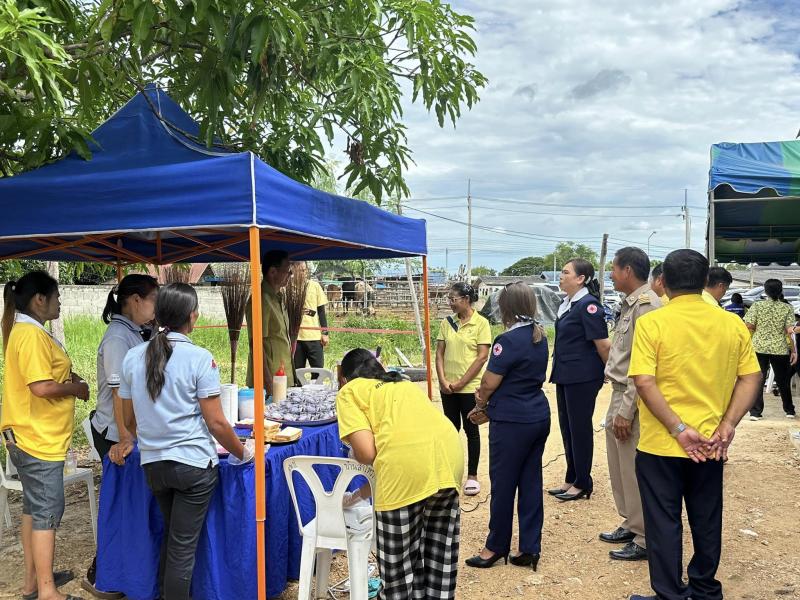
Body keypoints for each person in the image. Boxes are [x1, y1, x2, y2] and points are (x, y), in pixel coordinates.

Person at [627, 249, 761, 600]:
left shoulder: (653, 323)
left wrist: (679, 429)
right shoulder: (731, 323)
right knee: (706, 518)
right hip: (712, 443)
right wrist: (729, 424)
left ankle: (670, 593)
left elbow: (644, 381)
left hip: (661, 443)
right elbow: (751, 377)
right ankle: (704, 588)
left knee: (663, 521)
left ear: (663, 282)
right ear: (704, 281)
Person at [119, 283, 251, 600]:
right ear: (192, 316)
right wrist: (243, 452)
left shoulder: (133, 357)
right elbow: (216, 422)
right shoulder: (199, 358)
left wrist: (155, 437)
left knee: (175, 537)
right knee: (181, 548)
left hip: (154, 466)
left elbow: (129, 421)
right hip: (193, 467)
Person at [336, 349, 463, 600]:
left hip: (404, 473)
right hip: (448, 460)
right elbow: (402, 446)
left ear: (343, 379)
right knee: (439, 560)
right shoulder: (402, 384)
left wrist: (355, 451)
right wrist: (360, 494)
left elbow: (367, 453)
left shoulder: (348, 392)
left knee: (397, 576)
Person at [1, 271, 91, 600]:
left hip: (29, 436)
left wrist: (69, 377)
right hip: (37, 439)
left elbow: (47, 373)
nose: (60, 303)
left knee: (33, 509)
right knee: (46, 513)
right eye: (57, 297)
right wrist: (76, 389)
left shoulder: (28, 331)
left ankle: (33, 583)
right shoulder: (31, 335)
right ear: (40, 299)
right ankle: (47, 592)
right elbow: (40, 387)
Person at [463, 283, 550, 571]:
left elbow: (489, 382)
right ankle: (529, 547)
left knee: (503, 484)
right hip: (537, 415)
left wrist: (481, 402)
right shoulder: (540, 335)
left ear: (506, 307)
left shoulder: (507, 340)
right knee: (530, 482)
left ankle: (495, 546)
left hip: (512, 422)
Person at [83, 274, 159, 597]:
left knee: (135, 503)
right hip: (115, 431)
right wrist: (126, 436)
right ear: (136, 301)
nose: (156, 307)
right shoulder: (117, 337)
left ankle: (131, 569)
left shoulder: (138, 332)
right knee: (122, 505)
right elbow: (118, 392)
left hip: (133, 428)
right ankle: (103, 570)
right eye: (154, 300)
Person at [601, 248, 660, 562]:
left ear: (627, 270)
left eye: (613, 268)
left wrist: (626, 410)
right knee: (620, 465)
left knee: (633, 467)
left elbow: (644, 365)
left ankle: (644, 535)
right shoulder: (631, 304)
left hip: (631, 396)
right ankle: (631, 522)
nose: (611, 274)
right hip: (619, 392)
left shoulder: (647, 305)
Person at [548, 258, 610, 501]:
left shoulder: (588, 305)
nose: (561, 276)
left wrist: (609, 372)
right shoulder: (568, 303)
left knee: (580, 429)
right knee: (567, 427)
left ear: (580, 278)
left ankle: (583, 482)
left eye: (566, 272)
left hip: (583, 377)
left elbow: (603, 345)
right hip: (566, 374)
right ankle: (571, 476)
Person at [435, 282, 491, 496]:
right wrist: (443, 380)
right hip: (447, 387)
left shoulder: (481, 323)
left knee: (471, 431)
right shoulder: (447, 323)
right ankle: (449, 474)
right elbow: (439, 353)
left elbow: (482, 357)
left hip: (469, 388)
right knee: (450, 431)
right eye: (449, 299)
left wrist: (460, 383)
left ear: (466, 299)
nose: (450, 303)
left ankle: (472, 476)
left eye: (453, 299)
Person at [744, 278, 797, 420]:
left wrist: (760, 328)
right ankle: (789, 410)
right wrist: (793, 351)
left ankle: (755, 412)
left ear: (765, 291)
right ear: (781, 291)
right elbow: (789, 331)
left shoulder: (757, 305)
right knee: (783, 380)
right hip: (779, 348)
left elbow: (748, 325)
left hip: (758, 346)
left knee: (758, 380)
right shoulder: (787, 308)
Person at [246, 250, 295, 393]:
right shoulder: (261, 300)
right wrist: (267, 380)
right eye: (287, 271)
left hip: (282, 374)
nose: (290, 275)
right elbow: (256, 343)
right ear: (273, 272)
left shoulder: (278, 297)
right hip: (270, 380)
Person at [293, 262, 330, 376]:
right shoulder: (288, 287)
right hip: (296, 338)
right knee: (297, 374)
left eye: (305, 270)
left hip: (314, 337)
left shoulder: (314, 286)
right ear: (293, 270)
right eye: (300, 270)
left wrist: (325, 333)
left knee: (318, 372)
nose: (303, 273)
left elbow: (321, 312)